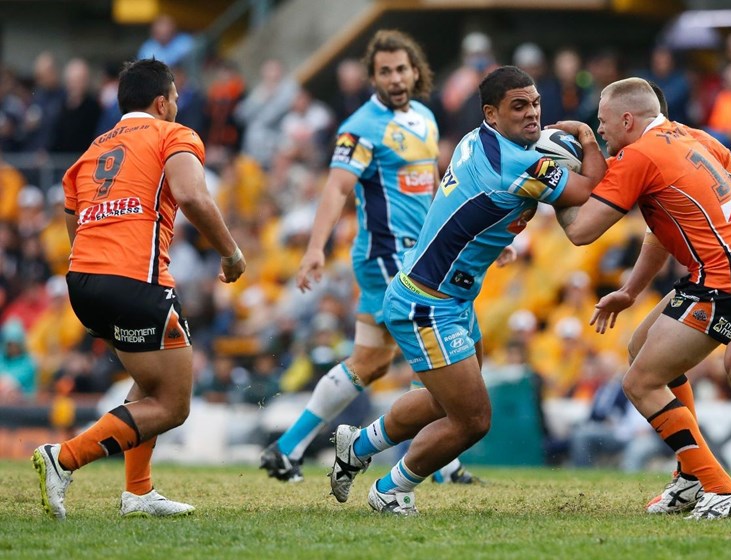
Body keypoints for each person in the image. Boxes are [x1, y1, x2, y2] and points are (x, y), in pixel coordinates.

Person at [327, 65, 605, 515]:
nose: (533, 114)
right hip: (428, 303)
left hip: (450, 297)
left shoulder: (477, 139)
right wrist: (588, 141)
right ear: (491, 113)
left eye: (535, 103)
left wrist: (492, 238)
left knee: (444, 401)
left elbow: (472, 209)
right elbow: (591, 188)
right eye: (519, 106)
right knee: (473, 419)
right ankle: (390, 490)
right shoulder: (517, 164)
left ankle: (357, 447)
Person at [258, 29, 483, 485]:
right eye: (385, 71)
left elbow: (440, 185)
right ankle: (444, 463)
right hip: (388, 257)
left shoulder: (424, 115)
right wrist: (316, 248)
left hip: (422, 255)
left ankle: (286, 448)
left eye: (402, 69)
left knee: (370, 361)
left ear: (416, 71)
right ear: (372, 77)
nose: (396, 78)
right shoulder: (361, 127)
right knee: (438, 349)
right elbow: (338, 186)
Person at [555, 77, 731, 519]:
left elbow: (581, 231)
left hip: (729, 281)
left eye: (601, 124)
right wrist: (630, 291)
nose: (599, 131)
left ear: (626, 119)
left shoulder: (640, 155)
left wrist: (550, 187)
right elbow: (661, 227)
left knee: (639, 383)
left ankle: (720, 488)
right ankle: (691, 477)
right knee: (641, 348)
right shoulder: (682, 134)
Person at [32, 58, 246, 521]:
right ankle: (63, 459)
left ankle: (138, 492)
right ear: (162, 102)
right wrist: (230, 253)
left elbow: (74, 223)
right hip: (135, 278)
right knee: (172, 404)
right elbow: (191, 196)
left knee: (149, 382)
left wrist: (100, 276)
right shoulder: (174, 134)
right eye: (174, 100)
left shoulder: (90, 152)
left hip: (84, 281)